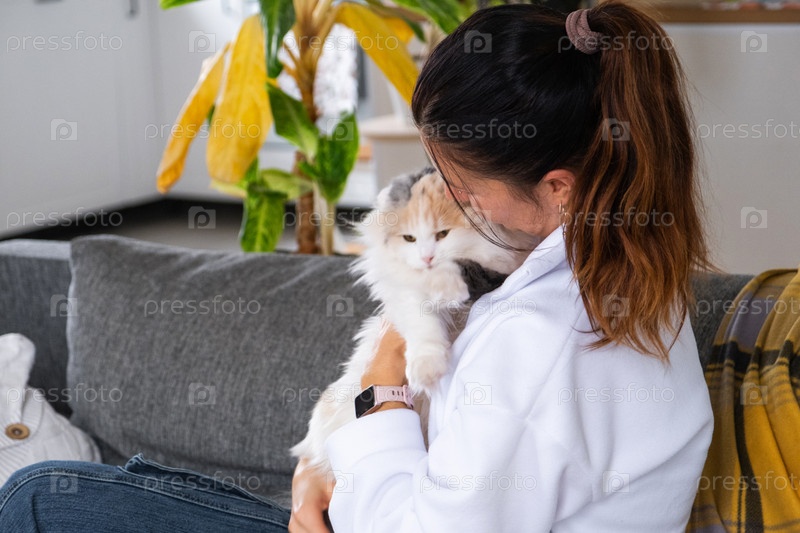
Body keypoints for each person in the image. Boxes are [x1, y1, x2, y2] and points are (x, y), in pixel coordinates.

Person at [0, 2, 718, 532]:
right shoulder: (637, 285)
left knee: (43, 497)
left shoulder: (541, 341)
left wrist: (380, 391)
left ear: (559, 188)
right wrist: (320, 472)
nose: (455, 196)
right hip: (363, 500)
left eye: (464, 182)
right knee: (108, 487)